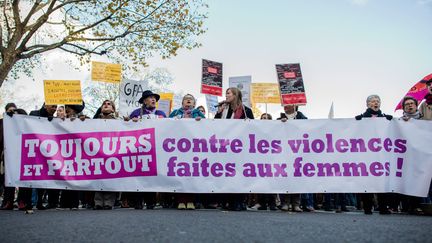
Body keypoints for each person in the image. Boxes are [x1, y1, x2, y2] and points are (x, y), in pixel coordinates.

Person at [215, 87, 254, 211]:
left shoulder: (246, 110)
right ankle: (227, 201)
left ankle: (239, 201)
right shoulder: (223, 110)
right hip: (225, 148)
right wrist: (218, 113)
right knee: (227, 174)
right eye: (226, 94)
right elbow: (214, 126)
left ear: (236, 95)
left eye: (228, 93)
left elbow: (253, 127)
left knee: (239, 174)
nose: (226, 96)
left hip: (239, 148)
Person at [128, 90, 166, 209]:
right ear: (144, 101)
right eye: (150, 98)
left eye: (154, 98)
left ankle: (151, 201)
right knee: (138, 174)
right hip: (139, 148)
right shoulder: (136, 113)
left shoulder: (161, 114)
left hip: (155, 148)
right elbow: (127, 127)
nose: (153, 99)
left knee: (151, 175)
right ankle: (137, 202)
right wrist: (131, 121)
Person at [355, 95, 393, 215]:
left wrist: (392, 121)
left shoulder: (386, 119)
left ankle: (383, 207)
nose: (375, 103)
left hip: (382, 155)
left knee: (382, 181)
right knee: (367, 181)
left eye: (377, 101)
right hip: (366, 155)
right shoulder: (361, 119)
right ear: (367, 104)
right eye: (372, 101)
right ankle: (367, 207)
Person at [169, 94, 205, 210]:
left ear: (194, 103)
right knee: (180, 172)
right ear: (182, 102)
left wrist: (201, 122)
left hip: (194, 147)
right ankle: (181, 200)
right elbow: (166, 124)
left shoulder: (198, 113)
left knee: (191, 173)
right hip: (178, 147)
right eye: (186, 98)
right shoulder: (175, 112)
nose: (188, 100)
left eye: (191, 99)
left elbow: (207, 126)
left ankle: (191, 200)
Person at [277, 104, 308, 212]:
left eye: (288, 103)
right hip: (284, 153)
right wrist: (281, 123)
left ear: (295, 105)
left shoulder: (302, 118)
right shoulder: (279, 119)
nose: (285, 106)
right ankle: (285, 202)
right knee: (284, 177)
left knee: (297, 178)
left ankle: (296, 203)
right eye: (284, 104)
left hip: (297, 151)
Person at [29, 103, 58, 210]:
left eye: (56, 107)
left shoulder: (54, 120)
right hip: (34, 150)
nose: (54, 109)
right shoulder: (33, 114)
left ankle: (40, 202)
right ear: (45, 106)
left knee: (45, 175)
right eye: (53, 106)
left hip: (48, 151)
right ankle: (30, 202)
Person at [58, 101, 85, 210]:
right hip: (62, 151)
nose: (68, 109)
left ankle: (74, 202)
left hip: (77, 152)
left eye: (71, 108)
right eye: (67, 107)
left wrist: (81, 120)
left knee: (74, 176)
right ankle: (64, 203)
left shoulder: (82, 119)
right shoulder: (59, 120)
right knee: (65, 175)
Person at [93, 100, 118, 210]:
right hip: (97, 152)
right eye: (104, 104)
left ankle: (109, 202)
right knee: (98, 176)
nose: (106, 105)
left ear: (113, 109)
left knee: (110, 176)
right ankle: (98, 202)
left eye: (109, 104)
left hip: (112, 152)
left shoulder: (118, 121)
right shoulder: (93, 121)